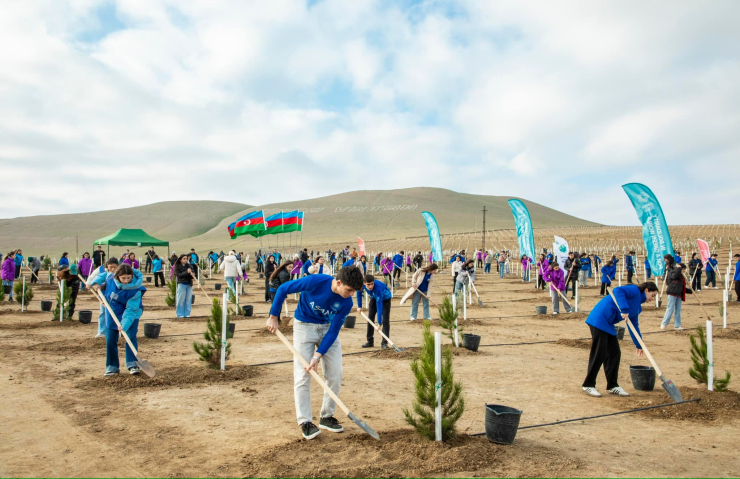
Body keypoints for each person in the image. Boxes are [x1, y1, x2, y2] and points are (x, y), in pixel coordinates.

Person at [265, 266, 363, 440]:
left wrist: (317, 356)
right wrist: (274, 315)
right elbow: (283, 288)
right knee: (303, 375)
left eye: (354, 291)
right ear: (338, 282)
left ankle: (326, 416)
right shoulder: (315, 281)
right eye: (349, 290)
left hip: (327, 331)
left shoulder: (347, 303)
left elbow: (333, 331)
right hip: (304, 327)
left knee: (335, 374)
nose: (351, 294)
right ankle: (305, 421)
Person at [581, 282, 657, 397]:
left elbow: (634, 327)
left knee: (614, 353)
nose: (653, 299)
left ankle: (612, 386)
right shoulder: (634, 290)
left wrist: (639, 344)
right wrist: (624, 309)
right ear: (646, 290)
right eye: (653, 295)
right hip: (599, 318)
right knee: (599, 353)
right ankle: (588, 385)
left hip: (608, 324)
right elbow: (618, 291)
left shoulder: (637, 308)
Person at [90, 263, 146, 376]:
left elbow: (130, 310)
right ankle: (112, 366)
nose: (126, 281)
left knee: (130, 337)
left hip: (131, 313)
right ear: (117, 276)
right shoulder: (110, 278)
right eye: (123, 278)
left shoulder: (136, 290)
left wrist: (123, 325)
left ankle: (132, 364)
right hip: (112, 312)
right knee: (110, 339)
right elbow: (103, 275)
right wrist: (95, 283)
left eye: (129, 278)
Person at [357, 274, 393, 349]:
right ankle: (370, 341)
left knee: (385, 321)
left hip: (385, 299)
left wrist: (379, 323)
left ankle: (384, 343)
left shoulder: (378, 288)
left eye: (372, 284)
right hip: (373, 298)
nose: (370, 286)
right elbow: (359, 292)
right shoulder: (361, 284)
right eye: (368, 284)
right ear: (364, 283)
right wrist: (359, 306)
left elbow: (379, 305)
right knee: (370, 319)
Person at [661, 262, 692, 330]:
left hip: (679, 294)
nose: (684, 271)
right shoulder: (674, 273)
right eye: (683, 269)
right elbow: (674, 277)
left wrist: (690, 291)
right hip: (672, 293)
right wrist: (679, 268)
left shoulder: (682, 277)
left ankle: (677, 325)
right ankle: (664, 323)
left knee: (678, 310)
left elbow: (681, 287)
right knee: (670, 309)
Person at [175, 254, 195, 318]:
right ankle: (180, 314)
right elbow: (179, 275)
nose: (186, 260)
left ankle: (187, 314)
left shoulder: (189, 266)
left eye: (186, 258)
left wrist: (192, 274)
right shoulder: (177, 266)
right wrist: (187, 272)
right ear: (180, 259)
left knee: (188, 300)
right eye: (184, 258)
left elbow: (193, 275)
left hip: (189, 284)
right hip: (182, 284)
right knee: (181, 300)